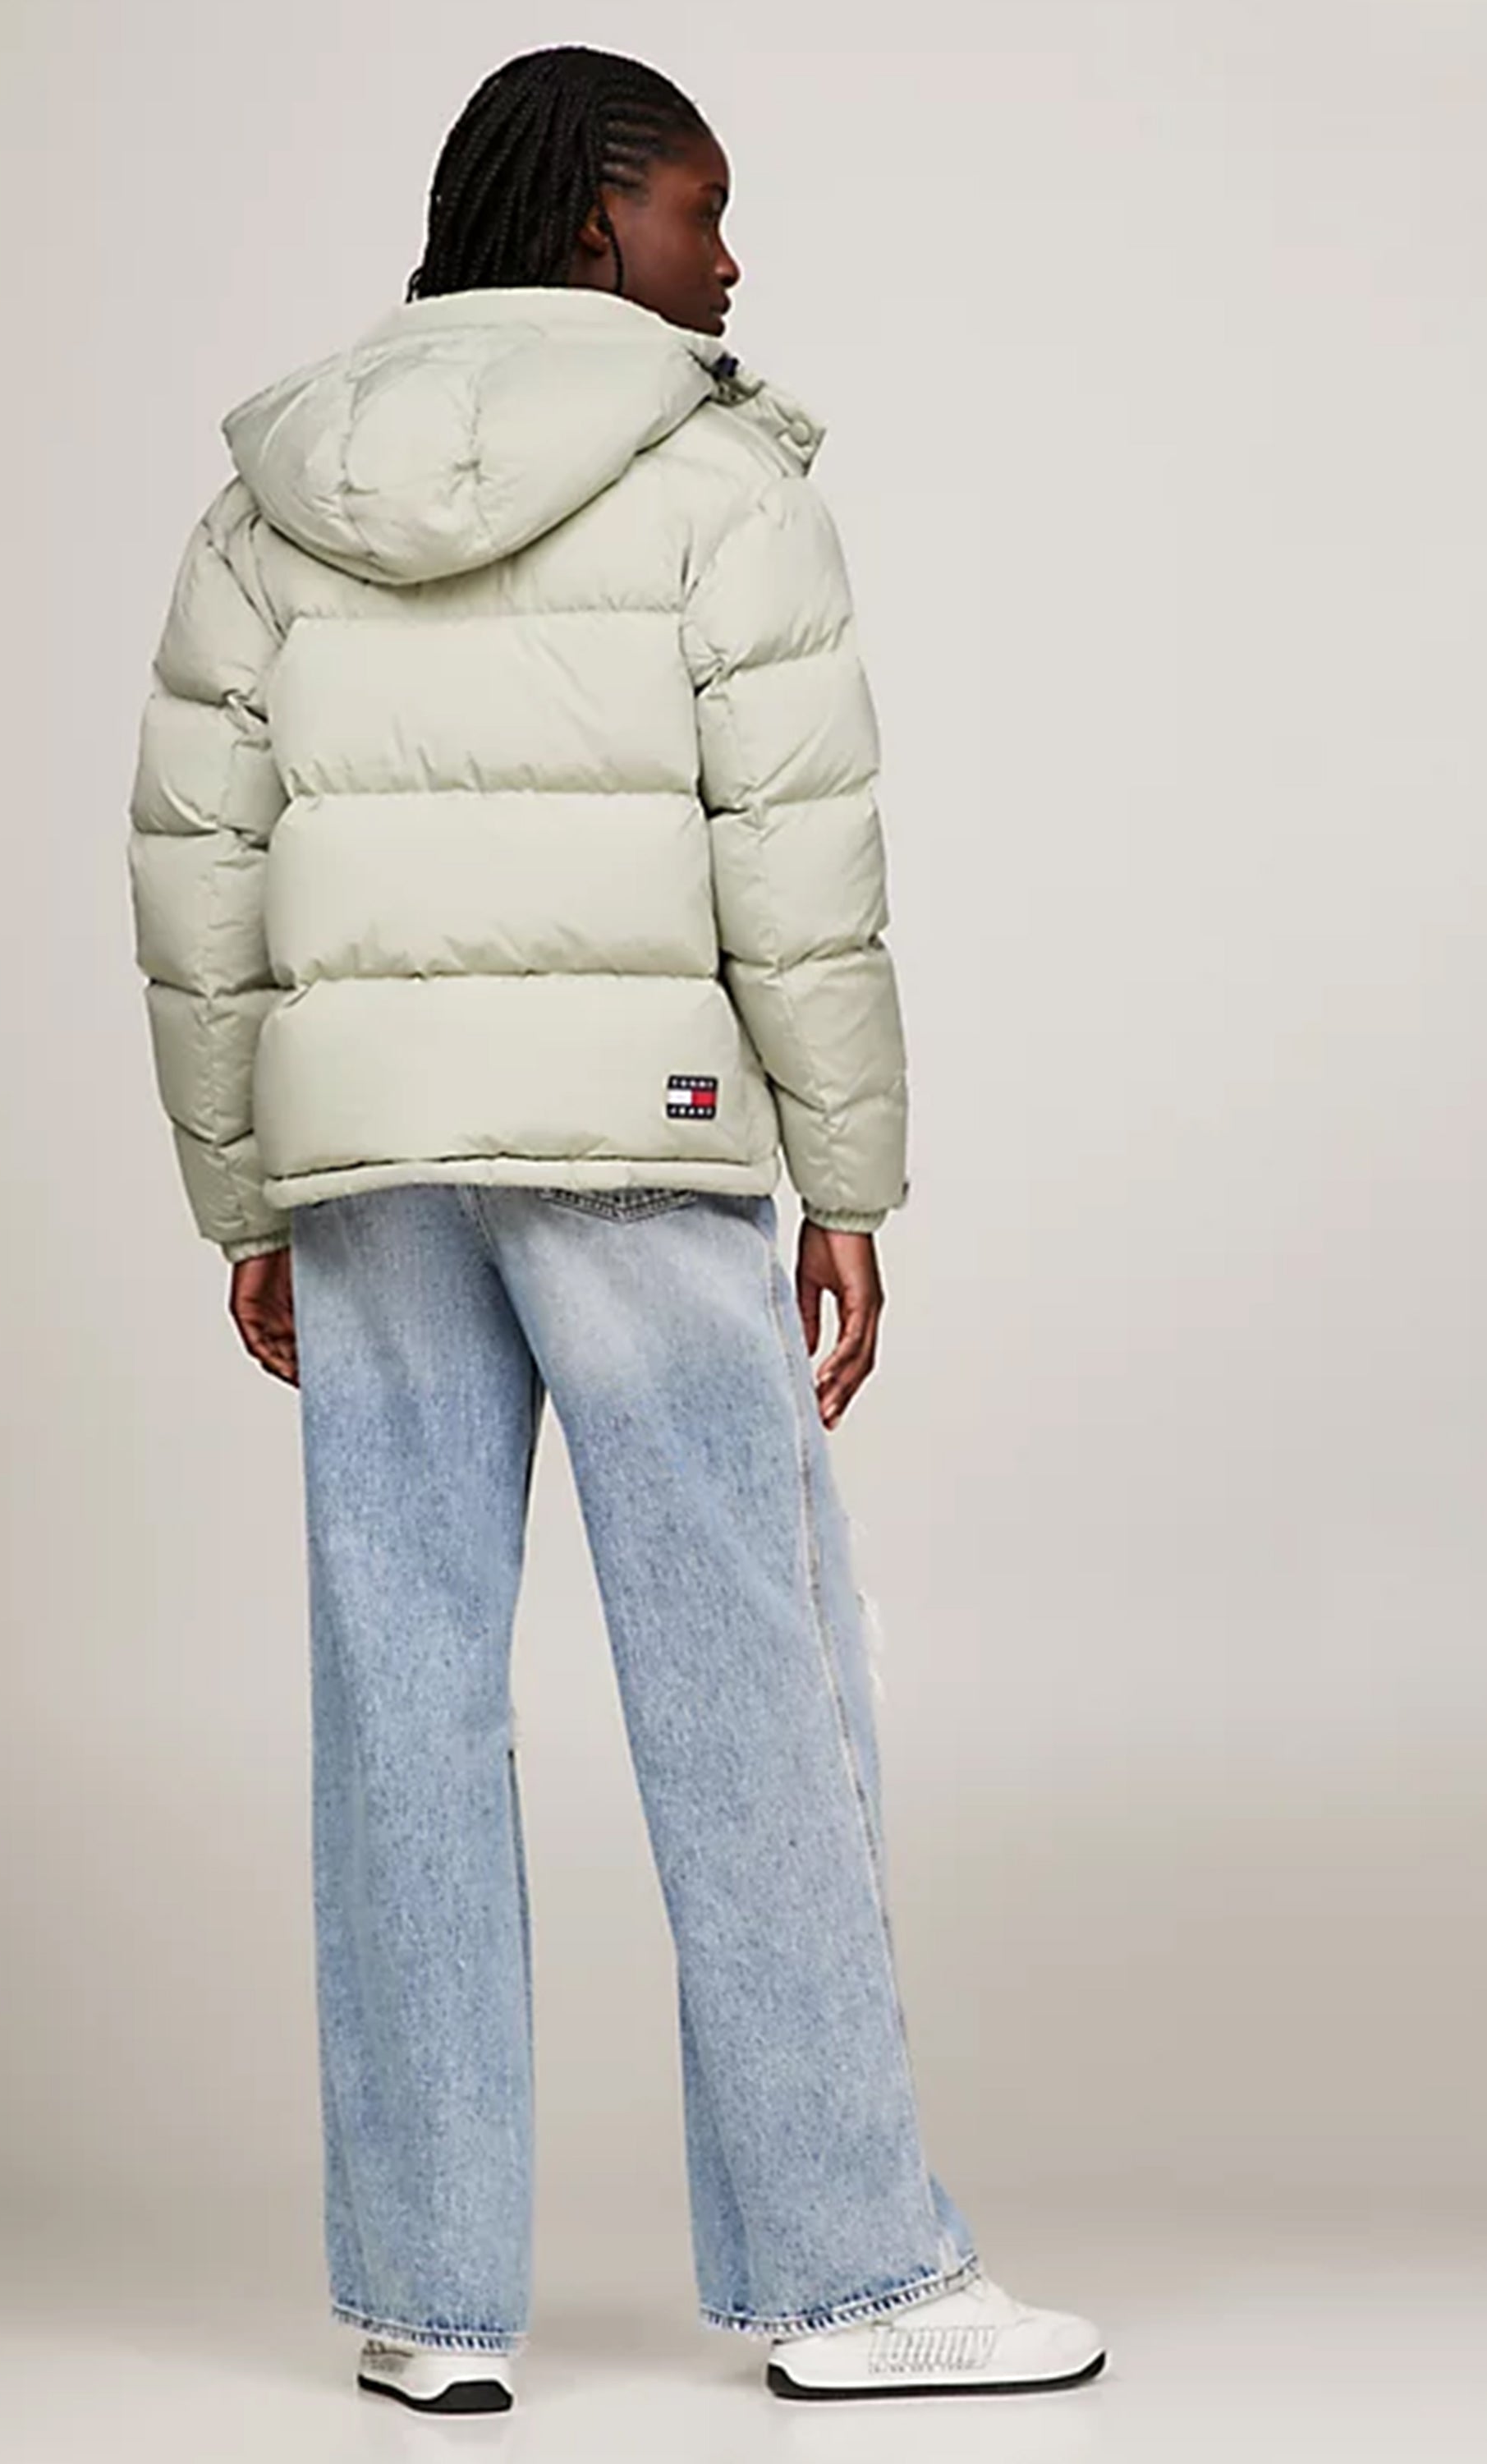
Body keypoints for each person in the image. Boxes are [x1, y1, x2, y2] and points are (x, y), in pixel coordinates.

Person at [124, 41, 1107, 2417]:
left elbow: (196, 868)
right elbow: (803, 860)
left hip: (371, 1172)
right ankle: (852, 2282)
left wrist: (246, 1184)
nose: (730, 259)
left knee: (402, 1708)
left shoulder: (271, 496)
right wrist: (847, 1180)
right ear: (595, 221)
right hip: (644, 1149)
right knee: (751, 1692)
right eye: (700, 211)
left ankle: (425, 2302)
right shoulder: (713, 469)